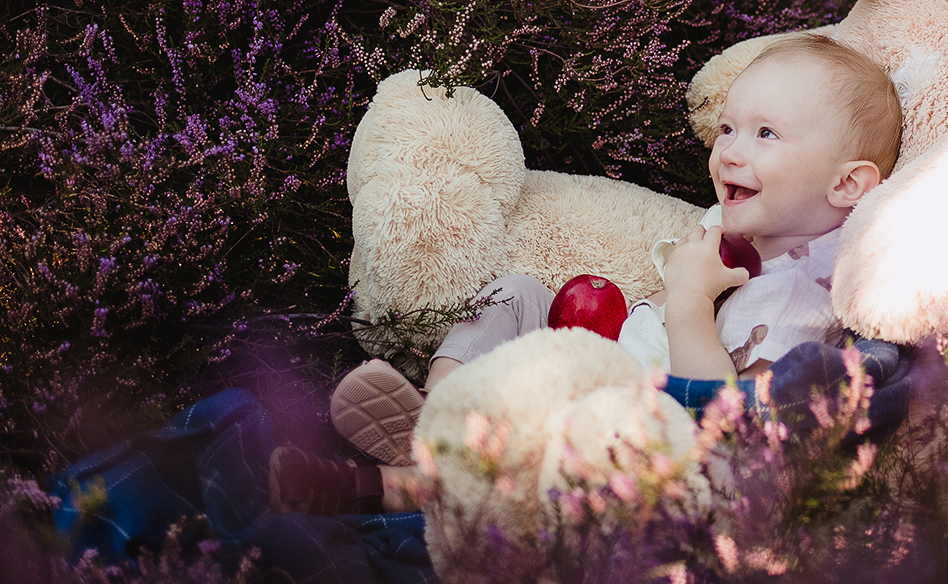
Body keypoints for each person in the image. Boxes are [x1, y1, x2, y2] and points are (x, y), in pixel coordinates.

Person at [269, 34, 903, 515]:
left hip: (638, 435)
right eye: (729, 128)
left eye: (766, 134)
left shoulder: (803, 296)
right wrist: (628, 312)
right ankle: (437, 417)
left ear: (847, 183)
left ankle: (389, 487)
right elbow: (657, 304)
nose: (730, 149)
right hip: (614, 363)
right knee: (514, 294)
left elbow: (721, 425)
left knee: (545, 446)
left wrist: (685, 302)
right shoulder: (738, 223)